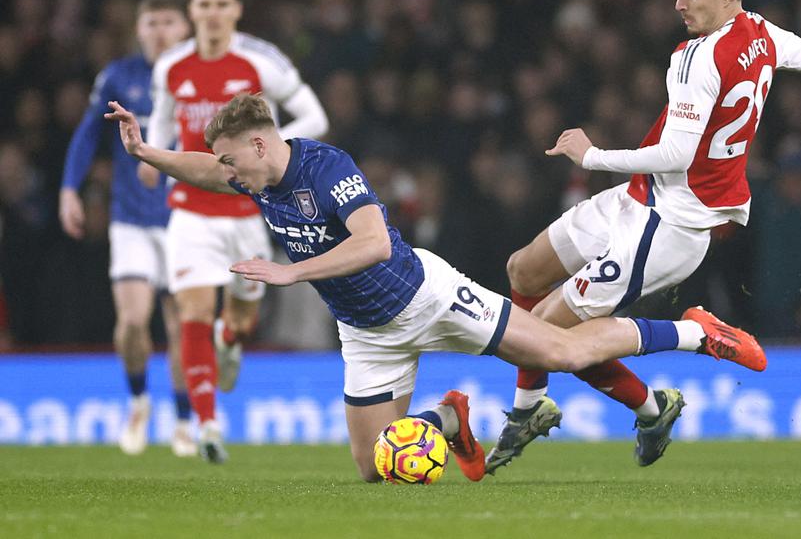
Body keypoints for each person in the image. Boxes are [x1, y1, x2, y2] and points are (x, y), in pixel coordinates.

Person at [105, 93, 765, 480]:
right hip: (366, 332)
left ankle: (696, 331)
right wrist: (144, 153)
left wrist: (291, 272)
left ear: (258, 142)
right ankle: (450, 416)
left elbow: (368, 242)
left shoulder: (324, 166)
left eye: (230, 159)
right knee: (372, 471)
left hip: (427, 296)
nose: (227, 174)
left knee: (559, 352)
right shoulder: (252, 174)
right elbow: (202, 168)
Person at [489, 0, 801, 473]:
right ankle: (642, 407)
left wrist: (591, 154)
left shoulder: (696, 58)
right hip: (641, 200)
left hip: (669, 224)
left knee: (543, 335)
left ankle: (693, 336)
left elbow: (678, 151)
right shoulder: (759, 31)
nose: (679, 5)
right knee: (522, 269)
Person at [142, 0, 329, 461]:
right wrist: (153, 158)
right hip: (190, 214)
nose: (214, 14)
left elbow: (316, 116)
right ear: (192, 10)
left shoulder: (260, 62)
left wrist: (268, 153)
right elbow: (161, 123)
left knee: (241, 320)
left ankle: (230, 337)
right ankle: (207, 424)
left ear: (237, 9)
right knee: (193, 312)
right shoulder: (171, 67)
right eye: (204, 4)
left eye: (223, 4)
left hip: (248, 212)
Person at [59, 0, 195, 457]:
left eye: (169, 22)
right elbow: (86, 133)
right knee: (133, 322)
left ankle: (182, 421)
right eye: (151, 22)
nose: (160, 31)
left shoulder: (195, 78)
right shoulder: (119, 75)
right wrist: (69, 189)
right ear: (138, 29)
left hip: (184, 220)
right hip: (132, 219)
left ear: (185, 28)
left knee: (181, 328)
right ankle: (139, 401)